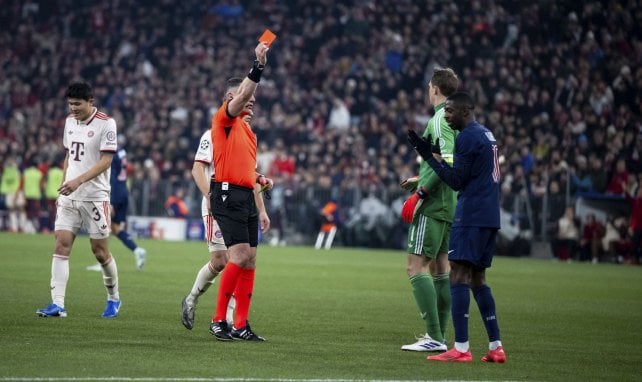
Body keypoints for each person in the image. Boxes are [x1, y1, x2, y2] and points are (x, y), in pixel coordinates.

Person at [408, 91, 506, 363]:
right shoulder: (486, 135)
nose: (446, 116)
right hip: (489, 215)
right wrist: (432, 153)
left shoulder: (466, 138)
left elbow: (456, 181)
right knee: (478, 279)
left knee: (458, 275)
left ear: (465, 111)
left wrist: (427, 157)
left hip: (471, 214)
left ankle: (461, 348)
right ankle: (496, 346)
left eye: (450, 111)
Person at [36, 81, 121, 319]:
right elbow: (69, 156)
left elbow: (106, 161)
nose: (73, 108)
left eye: (77, 104)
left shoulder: (107, 123)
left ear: (90, 102)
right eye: (70, 104)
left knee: (100, 252)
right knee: (61, 244)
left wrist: (78, 181)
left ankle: (114, 298)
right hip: (70, 195)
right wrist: (64, 184)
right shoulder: (69, 122)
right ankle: (57, 304)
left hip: (95, 197)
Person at [181, 113, 272, 331]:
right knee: (222, 260)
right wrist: (208, 196)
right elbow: (197, 169)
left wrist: (262, 209)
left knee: (238, 258)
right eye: (246, 106)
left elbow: (249, 176)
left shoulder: (248, 137)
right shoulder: (213, 134)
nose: (250, 113)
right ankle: (192, 299)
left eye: (253, 108)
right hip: (217, 202)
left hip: (239, 204)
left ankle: (230, 319)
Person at [207, 41, 272, 341]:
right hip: (226, 194)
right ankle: (219, 319)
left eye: (254, 100)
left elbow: (245, 168)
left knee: (251, 259)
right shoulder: (225, 119)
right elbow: (245, 92)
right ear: (231, 98)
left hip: (244, 195)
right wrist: (257, 66)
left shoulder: (248, 132)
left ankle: (241, 324)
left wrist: (260, 181)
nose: (252, 101)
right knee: (240, 254)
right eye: (247, 98)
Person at [399, 67, 459, 352]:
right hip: (449, 203)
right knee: (440, 267)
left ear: (434, 88)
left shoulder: (439, 120)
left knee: (415, 266)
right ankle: (440, 335)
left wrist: (422, 190)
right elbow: (450, 161)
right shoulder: (455, 119)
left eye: (428, 88)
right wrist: (419, 178)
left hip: (433, 203)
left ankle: (434, 336)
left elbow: (444, 162)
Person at [86, 135, 146, 271]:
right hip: (123, 190)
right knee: (116, 228)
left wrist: (111, 200)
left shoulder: (110, 153)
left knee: (102, 225)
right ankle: (137, 250)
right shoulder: (121, 151)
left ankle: (103, 262)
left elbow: (111, 177)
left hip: (115, 193)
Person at [0, 156, 26, 233]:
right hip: (9, 192)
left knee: (21, 209)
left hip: (17, 192)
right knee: (12, 210)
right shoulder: (5, 170)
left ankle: (22, 227)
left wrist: (18, 192)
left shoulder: (17, 170)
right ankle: (14, 228)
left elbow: (21, 180)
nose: (10, 162)